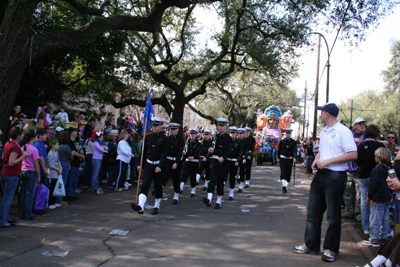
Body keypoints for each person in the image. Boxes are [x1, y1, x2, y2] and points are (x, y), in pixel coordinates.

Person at [293, 102, 357, 262]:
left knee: (333, 216)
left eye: (321, 112)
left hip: (335, 176)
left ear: (327, 113)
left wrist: (328, 162)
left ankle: (330, 249)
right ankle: (311, 245)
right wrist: (317, 159)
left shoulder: (343, 131)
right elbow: (323, 150)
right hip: (321, 175)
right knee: (313, 213)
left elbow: (352, 154)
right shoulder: (326, 131)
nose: (320, 114)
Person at [131, 117, 169, 215]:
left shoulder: (165, 139)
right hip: (148, 165)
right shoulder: (147, 137)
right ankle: (141, 206)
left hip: (158, 166)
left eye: (157, 125)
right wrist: (140, 164)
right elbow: (143, 153)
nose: (154, 127)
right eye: (153, 125)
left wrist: (160, 166)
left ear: (161, 126)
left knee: (158, 186)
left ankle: (157, 205)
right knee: (145, 184)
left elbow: (164, 154)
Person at [360, 147, 392, 248]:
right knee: (385, 218)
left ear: (378, 158)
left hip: (377, 197)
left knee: (375, 219)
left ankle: (374, 239)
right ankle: (384, 236)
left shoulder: (376, 170)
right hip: (386, 196)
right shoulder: (389, 170)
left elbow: (373, 185)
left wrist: (369, 197)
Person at [356, 124, 385, 235]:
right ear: (377, 134)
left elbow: (358, 162)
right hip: (376, 176)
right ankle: (376, 227)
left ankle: (365, 227)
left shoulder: (360, 146)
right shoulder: (381, 146)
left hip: (363, 175)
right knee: (376, 202)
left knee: (364, 200)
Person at [203, 117, 231, 209]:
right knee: (212, 179)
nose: (221, 127)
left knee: (220, 182)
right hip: (214, 161)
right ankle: (209, 199)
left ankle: (218, 201)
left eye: (222, 126)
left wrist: (223, 157)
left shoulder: (228, 138)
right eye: (219, 125)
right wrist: (210, 150)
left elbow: (228, 150)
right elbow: (212, 147)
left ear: (226, 127)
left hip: (223, 163)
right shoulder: (215, 137)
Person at [343, 117, 366, 219]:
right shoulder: (349, 136)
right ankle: (348, 211)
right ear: (355, 125)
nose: (362, 126)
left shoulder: (366, 137)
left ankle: (358, 213)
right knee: (347, 192)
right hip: (348, 168)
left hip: (359, 170)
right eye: (359, 124)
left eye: (363, 124)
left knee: (359, 194)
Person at [19, 129, 40, 221]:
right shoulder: (34, 149)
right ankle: (28, 214)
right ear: (33, 138)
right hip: (31, 171)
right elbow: (36, 164)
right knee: (30, 194)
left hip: (22, 171)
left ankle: (22, 213)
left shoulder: (22, 147)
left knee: (23, 193)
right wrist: (39, 175)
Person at [163, 123, 184, 204]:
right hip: (168, 160)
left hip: (176, 160)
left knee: (176, 178)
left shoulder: (180, 139)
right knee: (164, 175)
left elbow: (179, 152)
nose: (172, 131)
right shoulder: (168, 138)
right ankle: (159, 189)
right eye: (171, 129)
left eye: (174, 129)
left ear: (178, 130)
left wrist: (176, 162)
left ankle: (176, 195)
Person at [179, 127, 201, 198]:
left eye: (193, 134)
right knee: (184, 174)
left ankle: (193, 190)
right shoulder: (187, 142)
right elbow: (185, 150)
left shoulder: (198, 143)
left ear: (196, 135)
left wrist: (193, 157)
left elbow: (198, 152)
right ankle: (181, 187)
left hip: (194, 162)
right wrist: (184, 153)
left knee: (193, 176)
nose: (192, 135)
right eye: (191, 134)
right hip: (187, 161)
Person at [66, 127, 84, 201]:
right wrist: (81, 156)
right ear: (71, 132)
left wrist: (81, 154)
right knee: (71, 179)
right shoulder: (69, 142)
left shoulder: (76, 141)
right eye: (75, 131)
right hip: (72, 162)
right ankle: (69, 194)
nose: (77, 132)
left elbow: (79, 149)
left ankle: (72, 193)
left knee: (75, 179)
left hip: (77, 162)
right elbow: (73, 152)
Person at [226, 126, 244, 201]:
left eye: (233, 133)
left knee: (232, 178)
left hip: (234, 162)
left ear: (236, 134)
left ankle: (231, 193)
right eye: (231, 133)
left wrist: (238, 161)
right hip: (226, 161)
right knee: (223, 176)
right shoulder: (227, 141)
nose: (232, 134)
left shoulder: (239, 143)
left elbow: (240, 153)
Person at [278, 128, 297, 193]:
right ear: (285, 133)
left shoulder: (293, 142)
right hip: (283, 158)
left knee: (288, 173)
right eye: (286, 133)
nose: (287, 134)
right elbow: (279, 150)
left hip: (290, 159)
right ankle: (284, 186)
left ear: (290, 134)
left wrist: (295, 157)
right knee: (283, 172)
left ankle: (286, 186)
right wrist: (278, 158)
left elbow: (295, 150)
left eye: (289, 133)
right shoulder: (282, 141)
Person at [47, 139, 63, 209]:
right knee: (52, 187)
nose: (58, 146)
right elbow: (50, 164)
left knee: (56, 188)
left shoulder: (56, 153)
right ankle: (50, 202)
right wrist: (57, 169)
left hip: (57, 173)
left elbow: (58, 161)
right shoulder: (50, 154)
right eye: (57, 145)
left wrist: (60, 168)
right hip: (52, 174)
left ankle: (55, 201)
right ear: (53, 146)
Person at [58, 132, 73, 202]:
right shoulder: (67, 147)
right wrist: (72, 154)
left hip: (58, 163)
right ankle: (59, 199)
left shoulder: (58, 146)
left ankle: (58, 198)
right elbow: (70, 157)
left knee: (58, 181)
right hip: (65, 164)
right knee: (63, 181)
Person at [237, 128, 249, 193]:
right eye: (239, 134)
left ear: (244, 134)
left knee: (242, 171)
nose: (240, 135)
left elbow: (247, 151)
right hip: (236, 158)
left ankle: (240, 186)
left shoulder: (246, 142)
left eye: (241, 134)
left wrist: (245, 158)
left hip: (243, 158)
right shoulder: (236, 140)